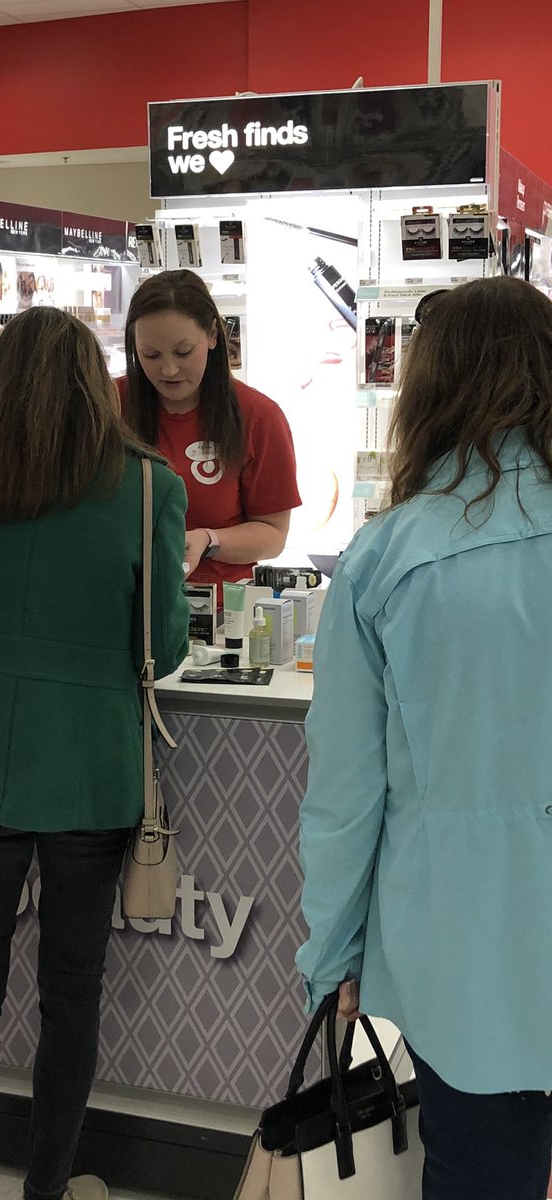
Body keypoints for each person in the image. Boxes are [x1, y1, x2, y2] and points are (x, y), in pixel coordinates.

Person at [0, 307, 189, 1200]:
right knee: (71, 994)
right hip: (91, 765)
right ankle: (46, 1189)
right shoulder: (147, 486)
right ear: (96, 381)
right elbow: (162, 648)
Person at [296, 276, 552, 1200]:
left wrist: (332, 952)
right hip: (473, 922)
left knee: (482, 1170)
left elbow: (346, 791)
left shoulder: (391, 556)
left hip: (464, 938)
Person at [119, 269, 302, 588]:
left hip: (220, 615)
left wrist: (209, 541)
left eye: (183, 352)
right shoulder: (107, 406)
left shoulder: (259, 417)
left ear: (213, 336)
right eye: (150, 355)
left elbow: (272, 534)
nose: (169, 369)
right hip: (120, 602)